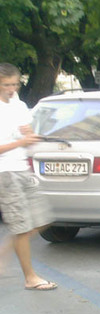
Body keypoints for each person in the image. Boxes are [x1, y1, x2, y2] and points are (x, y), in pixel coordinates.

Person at [0, 63, 56, 290]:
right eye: (6, 85)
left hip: (23, 169)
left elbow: (26, 130)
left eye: (14, 84)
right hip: (5, 172)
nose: (11, 89)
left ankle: (3, 253)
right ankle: (30, 278)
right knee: (21, 228)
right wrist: (22, 142)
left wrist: (32, 135)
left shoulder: (18, 105)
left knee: (42, 219)